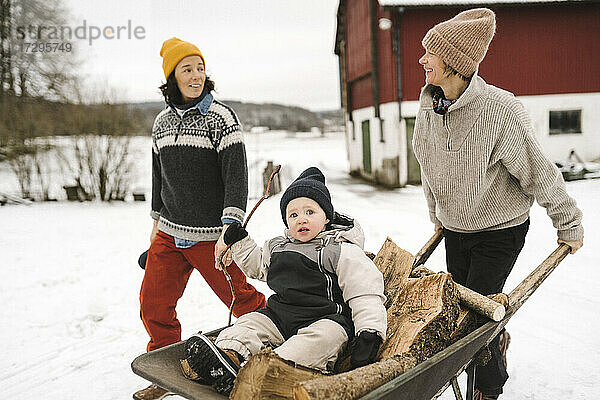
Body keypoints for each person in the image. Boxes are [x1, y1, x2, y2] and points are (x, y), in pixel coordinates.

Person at [412, 8, 584, 399]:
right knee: (466, 313)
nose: (421, 61)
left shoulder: (501, 110)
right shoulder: (428, 110)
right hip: (456, 230)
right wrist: (437, 215)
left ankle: (488, 390)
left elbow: (539, 171)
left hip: (499, 231)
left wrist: (568, 223)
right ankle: (497, 341)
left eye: (430, 54)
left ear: (455, 62)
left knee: (475, 324)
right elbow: (427, 166)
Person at [134, 37, 266, 400]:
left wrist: (231, 227)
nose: (195, 76)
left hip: (212, 235)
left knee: (242, 299)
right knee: (153, 304)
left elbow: (236, 176)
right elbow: (158, 179)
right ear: (172, 77)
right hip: (169, 233)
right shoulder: (160, 123)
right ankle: (162, 372)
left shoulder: (221, 118)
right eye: (187, 69)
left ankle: (276, 345)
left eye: (200, 68)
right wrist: (155, 227)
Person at [179, 167, 387, 395]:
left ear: (327, 216)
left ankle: (271, 369)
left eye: (310, 212)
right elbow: (258, 267)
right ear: (287, 221)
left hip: (325, 319)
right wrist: (241, 242)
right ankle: (227, 357)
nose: (301, 220)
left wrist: (369, 332)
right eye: (294, 214)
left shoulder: (339, 250)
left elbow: (364, 293)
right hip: (279, 316)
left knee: (320, 341)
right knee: (248, 324)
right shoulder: (278, 246)